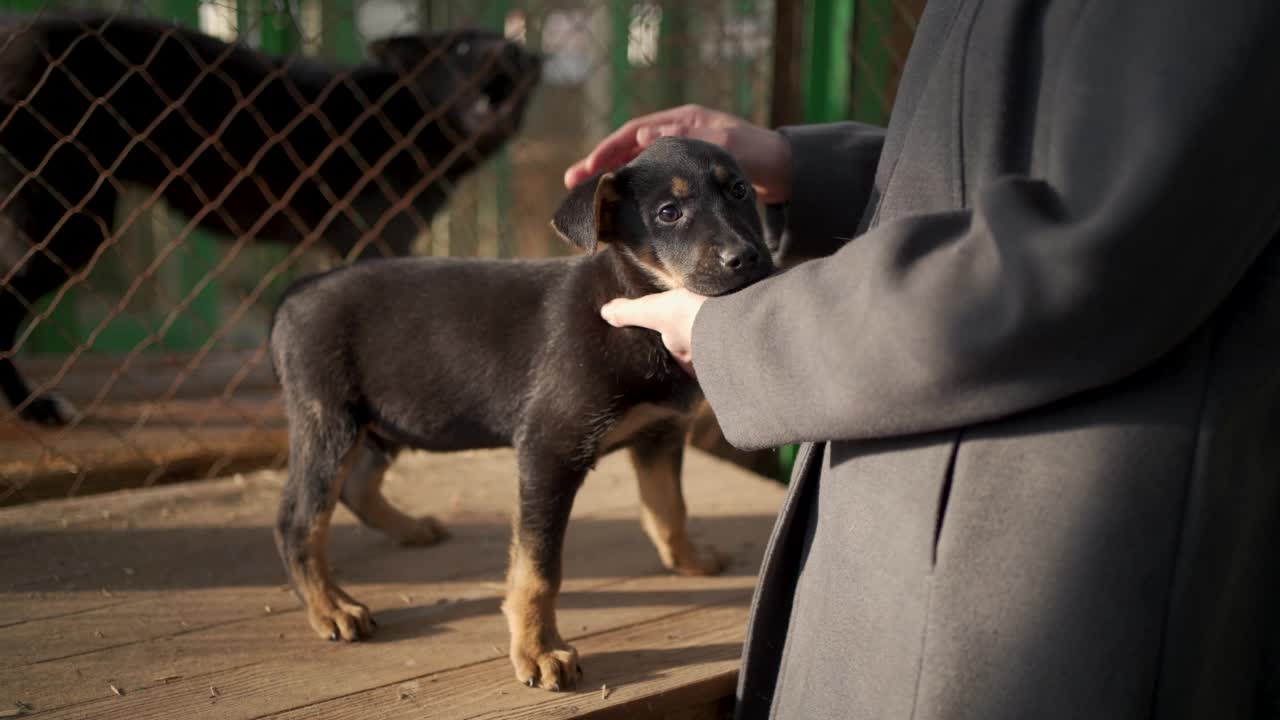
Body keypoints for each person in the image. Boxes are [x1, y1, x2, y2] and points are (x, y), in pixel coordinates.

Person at [563, 1, 1280, 718]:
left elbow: (1093, 251)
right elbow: (1005, 156)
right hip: (928, 542)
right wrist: (799, 166)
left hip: (1038, 575)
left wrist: (742, 333)